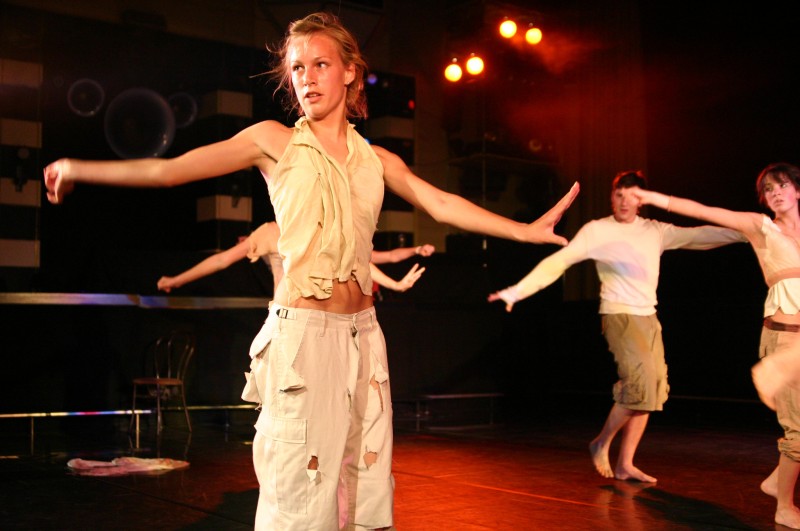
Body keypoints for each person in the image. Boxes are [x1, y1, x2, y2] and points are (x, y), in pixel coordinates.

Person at [43, 12, 579, 530]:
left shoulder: (376, 160)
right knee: (298, 499)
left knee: (365, 484)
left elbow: (440, 203)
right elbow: (170, 172)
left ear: (350, 71)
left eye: (320, 64)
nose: (307, 78)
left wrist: (524, 231)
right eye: (297, 68)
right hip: (303, 338)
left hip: (364, 337)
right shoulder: (272, 141)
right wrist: (78, 168)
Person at [488, 170, 745, 484]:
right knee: (640, 384)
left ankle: (625, 464)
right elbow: (560, 262)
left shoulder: (654, 231)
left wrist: (746, 233)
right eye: (619, 195)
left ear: (642, 200)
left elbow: (699, 236)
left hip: (648, 318)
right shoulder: (598, 231)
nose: (624, 201)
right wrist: (517, 291)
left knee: (652, 391)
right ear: (611, 197)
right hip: (619, 316)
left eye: (632, 196)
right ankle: (601, 442)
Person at [634, 163, 800, 529]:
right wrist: (653, 197)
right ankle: (784, 507)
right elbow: (703, 211)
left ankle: (777, 482)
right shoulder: (761, 226)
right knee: (798, 431)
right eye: (768, 189)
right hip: (785, 338)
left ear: (797, 190)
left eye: (783, 185)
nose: (775, 192)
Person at [156, 220, 433, 295]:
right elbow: (221, 260)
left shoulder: (322, 229)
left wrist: (396, 283)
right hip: (286, 318)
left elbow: (360, 262)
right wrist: (177, 280)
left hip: (320, 317)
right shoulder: (271, 232)